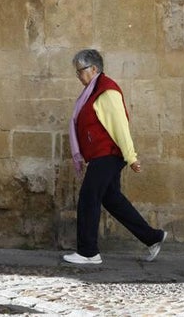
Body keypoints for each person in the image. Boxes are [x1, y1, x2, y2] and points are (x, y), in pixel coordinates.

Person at [64, 48, 167, 265]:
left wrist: (131, 157)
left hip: (108, 154)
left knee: (88, 197)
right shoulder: (93, 91)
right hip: (102, 154)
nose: (79, 77)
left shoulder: (106, 91)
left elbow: (120, 126)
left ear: (94, 69)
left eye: (80, 71)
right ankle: (153, 237)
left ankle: (88, 252)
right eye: (77, 72)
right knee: (112, 199)